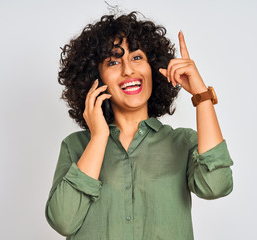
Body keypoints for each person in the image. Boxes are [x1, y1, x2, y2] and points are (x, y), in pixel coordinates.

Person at [45, 11, 234, 240]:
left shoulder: (182, 143)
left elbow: (216, 185)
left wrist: (202, 96)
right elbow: (63, 220)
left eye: (136, 58)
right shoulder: (75, 146)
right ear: (96, 78)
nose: (128, 70)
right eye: (113, 62)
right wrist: (98, 138)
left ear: (153, 68)